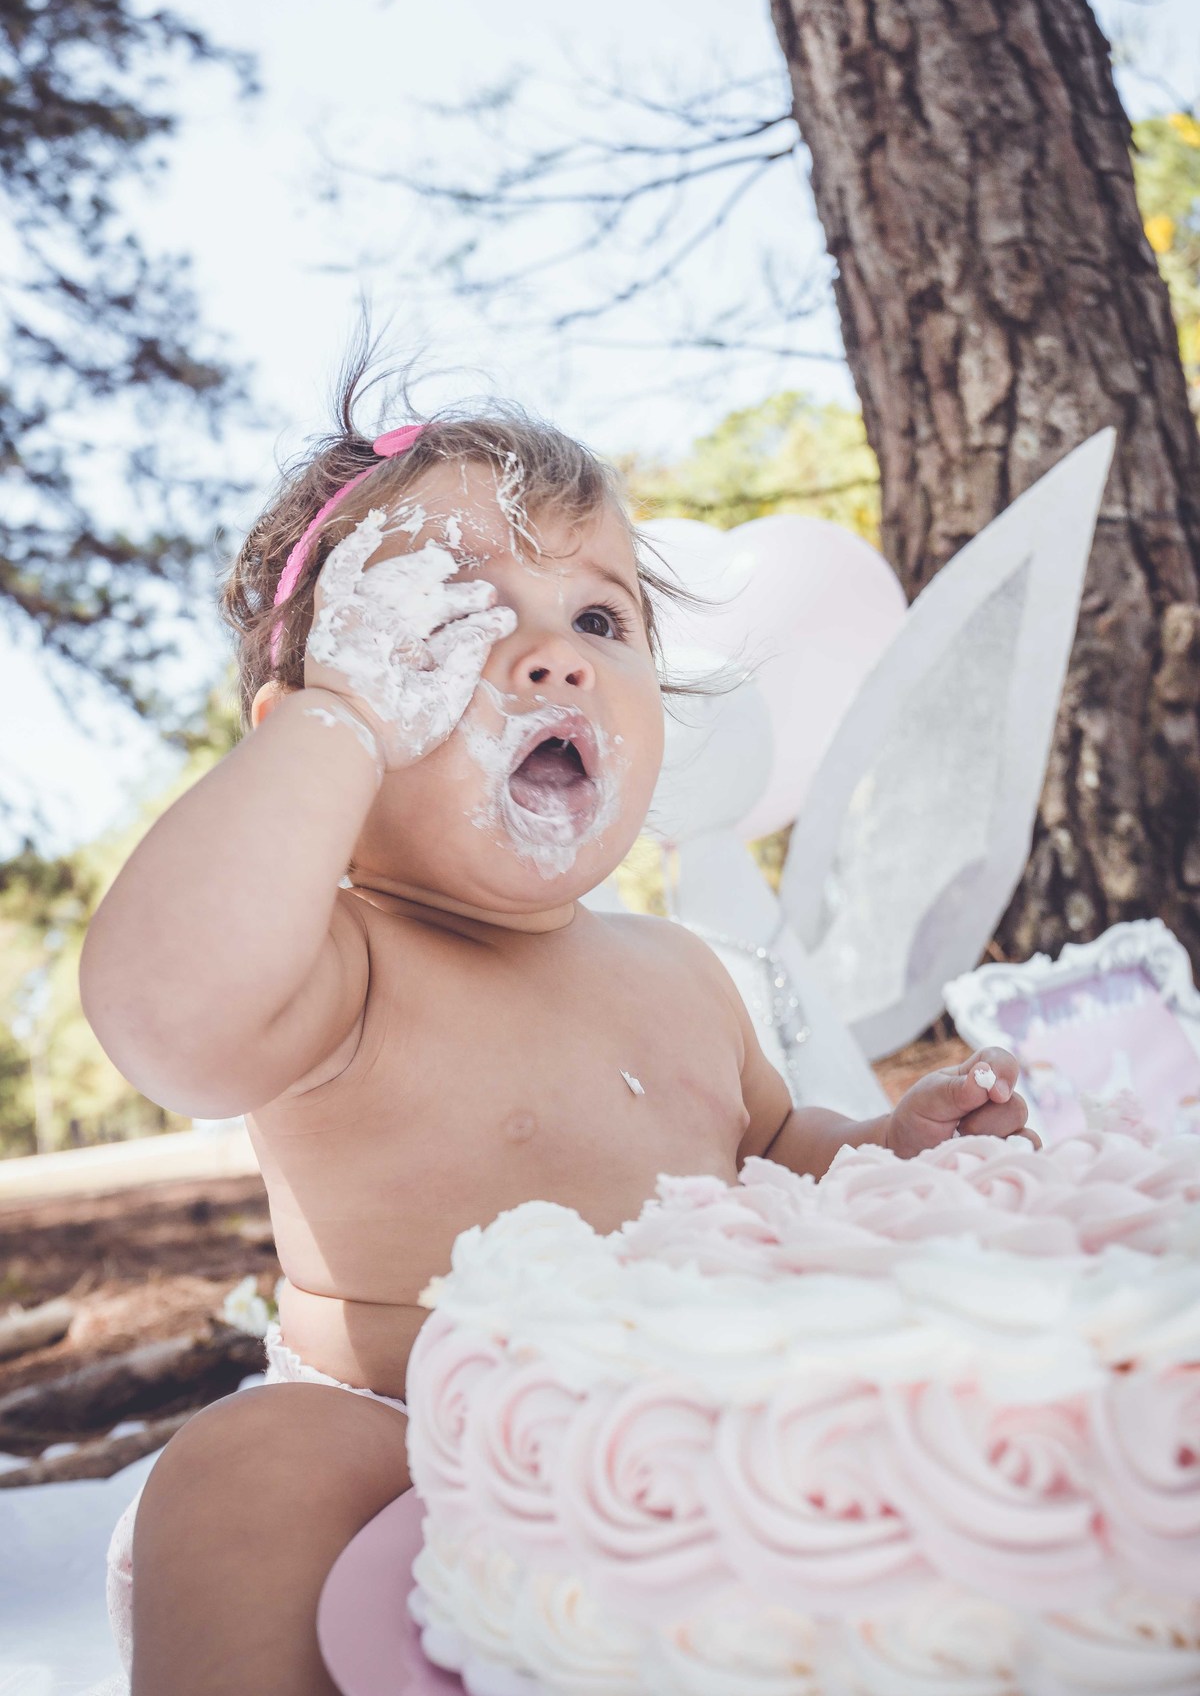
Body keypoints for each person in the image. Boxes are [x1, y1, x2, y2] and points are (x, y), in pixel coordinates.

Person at [80, 369, 1034, 1696]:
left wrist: (882, 1147)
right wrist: (340, 723)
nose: (553, 655)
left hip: (677, 1434)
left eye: (599, 613)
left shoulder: (683, 971)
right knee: (244, 1473)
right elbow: (165, 1018)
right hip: (406, 1436)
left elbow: (771, 1147)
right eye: (450, 628)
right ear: (301, 744)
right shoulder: (338, 967)